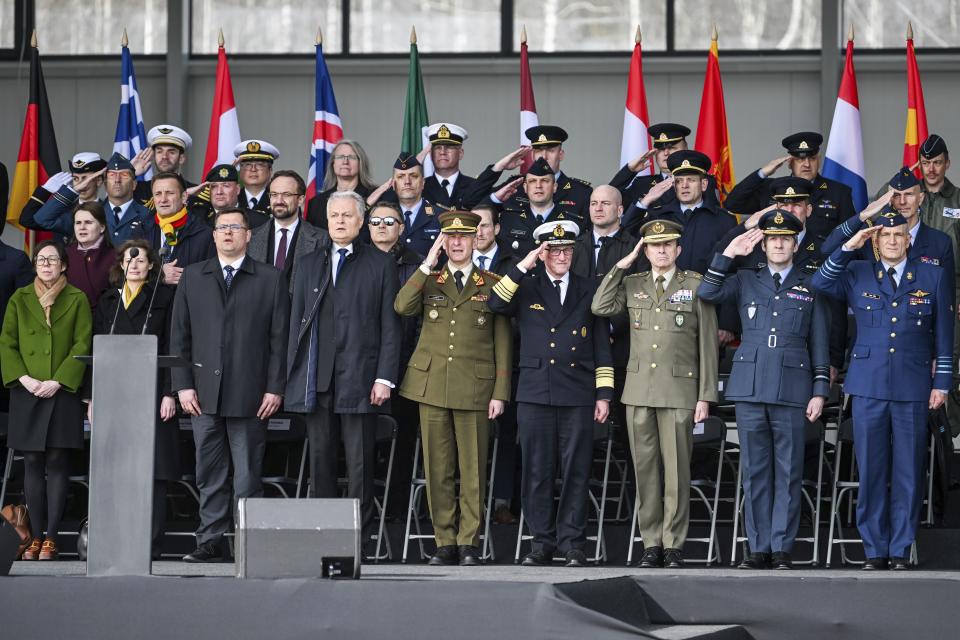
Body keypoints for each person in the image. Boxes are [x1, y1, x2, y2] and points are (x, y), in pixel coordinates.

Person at [812, 210, 953, 570]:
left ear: (909, 239)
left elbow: (945, 335)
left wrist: (942, 383)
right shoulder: (857, 272)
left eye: (898, 235)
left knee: (908, 471)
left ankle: (901, 548)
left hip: (913, 386)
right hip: (868, 386)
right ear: (875, 242)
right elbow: (820, 282)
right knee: (872, 471)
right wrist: (849, 245)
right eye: (885, 235)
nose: (892, 240)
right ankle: (875, 549)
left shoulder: (932, 275)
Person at [699, 211, 830, 569]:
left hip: (792, 388)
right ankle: (758, 547)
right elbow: (707, 291)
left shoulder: (811, 283)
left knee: (788, 472)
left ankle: (782, 547)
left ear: (795, 243)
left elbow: (820, 341)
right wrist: (728, 252)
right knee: (756, 471)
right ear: (764, 243)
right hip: (750, 387)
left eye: (785, 238)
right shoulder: (744, 279)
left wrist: (820, 390)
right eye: (772, 238)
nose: (779, 244)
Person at [592, 219, 719, 569]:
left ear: (678, 249)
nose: (661, 251)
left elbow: (708, 345)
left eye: (667, 245)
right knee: (645, 471)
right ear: (645, 251)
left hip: (679, 391)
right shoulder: (632, 283)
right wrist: (621, 265)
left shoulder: (695, 284)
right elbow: (600, 306)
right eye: (654, 245)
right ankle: (651, 542)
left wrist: (705, 396)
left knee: (677, 472)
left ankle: (673, 543)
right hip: (638, 392)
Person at [488, 220, 614, 567]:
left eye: (567, 250)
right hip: (534, 392)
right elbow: (495, 304)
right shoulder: (526, 285)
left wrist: (603, 394)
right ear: (543, 253)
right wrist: (525, 264)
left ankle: (573, 542)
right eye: (554, 251)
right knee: (537, 471)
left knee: (576, 470)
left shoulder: (590, 288)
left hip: (577, 392)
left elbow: (602, 344)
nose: (562, 256)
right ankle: (540, 542)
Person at [170, 208, 290, 562]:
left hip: (251, 394)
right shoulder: (193, 277)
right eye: (222, 228)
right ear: (213, 235)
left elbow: (279, 340)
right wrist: (182, 386)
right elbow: (179, 337)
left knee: (247, 475)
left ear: (248, 235)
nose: (227, 233)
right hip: (202, 394)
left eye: (235, 228)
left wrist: (275, 388)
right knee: (209, 473)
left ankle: (248, 541)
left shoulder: (270, 278)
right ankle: (210, 540)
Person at [284, 191, 401, 550]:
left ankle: (359, 539)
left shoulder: (379, 263)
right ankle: (323, 535)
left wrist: (384, 377)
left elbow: (390, 326)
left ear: (361, 221)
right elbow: (294, 326)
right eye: (333, 215)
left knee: (359, 465)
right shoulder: (306, 263)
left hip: (362, 380)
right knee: (320, 460)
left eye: (347, 215)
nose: (339, 220)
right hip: (316, 379)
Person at [394, 211, 512, 566]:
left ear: (476, 239)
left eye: (464, 237)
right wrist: (427, 264)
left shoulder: (492, 282)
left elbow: (503, 341)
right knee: (438, 467)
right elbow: (402, 306)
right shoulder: (430, 278)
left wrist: (500, 392)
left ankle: (469, 541)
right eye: (450, 237)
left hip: (475, 387)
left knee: (473, 469)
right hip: (430, 385)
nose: (457, 243)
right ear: (443, 241)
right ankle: (444, 540)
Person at [0, 241, 92, 561]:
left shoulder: (77, 298)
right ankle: (34, 537)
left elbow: (83, 342)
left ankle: (52, 537)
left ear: (64, 265)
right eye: (41, 259)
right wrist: (24, 379)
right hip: (27, 391)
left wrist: (59, 380)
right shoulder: (20, 297)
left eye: (53, 259)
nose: (46, 264)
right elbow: (7, 342)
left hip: (61, 391)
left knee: (56, 461)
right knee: (33, 463)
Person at [91, 239, 178, 554]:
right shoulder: (108, 301)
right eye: (130, 260)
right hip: (115, 394)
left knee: (152, 468)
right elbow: (94, 349)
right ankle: (116, 537)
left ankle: (149, 540)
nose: (135, 265)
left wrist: (170, 393)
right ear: (120, 265)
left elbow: (172, 345)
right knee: (117, 467)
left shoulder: (165, 297)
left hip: (152, 392)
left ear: (152, 265)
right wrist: (92, 399)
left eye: (142, 260)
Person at [724, 131, 855, 242]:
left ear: (819, 160)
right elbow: (732, 204)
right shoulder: (771, 188)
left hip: (820, 263)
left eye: (812, 158)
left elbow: (849, 234)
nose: (807, 164)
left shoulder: (839, 192)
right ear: (790, 163)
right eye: (800, 159)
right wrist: (762, 173)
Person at [611, 122, 719, 228]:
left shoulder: (704, 182)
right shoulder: (641, 184)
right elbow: (609, 198)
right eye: (661, 149)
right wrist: (629, 171)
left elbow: (713, 219)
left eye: (672, 147)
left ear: (685, 149)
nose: (666, 153)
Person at [31, 153, 152, 245]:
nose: (117, 180)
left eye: (123, 175)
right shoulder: (88, 214)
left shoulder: (147, 214)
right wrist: (74, 190)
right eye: (112, 176)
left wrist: (128, 173)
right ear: (104, 182)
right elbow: (42, 219)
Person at [248, 169, 328, 293]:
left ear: (301, 199)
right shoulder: (250, 237)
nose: (279, 200)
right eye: (274, 194)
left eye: (286, 194)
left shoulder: (322, 238)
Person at [495, 125, 592, 219]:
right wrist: (498, 168)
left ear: (561, 155)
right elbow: (480, 199)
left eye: (550, 150)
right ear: (532, 155)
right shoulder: (515, 186)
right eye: (539, 151)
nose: (544, 157)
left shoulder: (582, 193)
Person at [497, 157, 586, 257]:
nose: (538, 185)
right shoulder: (508, 220)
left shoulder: (571, 221)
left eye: (544, 180)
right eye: (533, 181)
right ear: (525, 188)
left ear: (555, 187)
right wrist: (497, 168)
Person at [141, 172, 216, 287]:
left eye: (170, 193)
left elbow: (212, 279)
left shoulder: (204, 234)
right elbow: (127, 273)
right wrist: (158, 275)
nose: (163, 199)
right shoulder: (141, 230)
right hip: (150, 304)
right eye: (158, 194)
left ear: (184, 197)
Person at [420, 123, 499, 210]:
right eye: (438, 147)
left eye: (449, 147)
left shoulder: (475, 186)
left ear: (461, 153)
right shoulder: (420, 188)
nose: (442, 152)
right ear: (431, 154)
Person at [26, 152, 106, 236]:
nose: (80, 184)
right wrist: (46, 190)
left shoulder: (107, 211)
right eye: (76, 179)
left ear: (99, 181)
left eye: (85, 179)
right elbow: (33, 220)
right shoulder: (62, 210)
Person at [305, 140, 378, 229]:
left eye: (351, 157)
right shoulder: (316, 203)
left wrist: (366, 205)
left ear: (361, 163)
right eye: (340, 157)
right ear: (333, 163)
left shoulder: (377, 196)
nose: (345, 162)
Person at [64, 202, 116, 310]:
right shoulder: (64, 254)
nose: (82, 227)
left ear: (102, 227)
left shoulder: (116, 256)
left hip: (103, 321)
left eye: (88, 222)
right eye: (78, 223)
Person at [187, 164, 270, 229]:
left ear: (237, 189)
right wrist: (186, 194)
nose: (219, 192)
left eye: (226, 186)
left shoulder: (259, 221)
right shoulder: (197, 219)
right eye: (214, 186)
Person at [132, 125, 195, 207]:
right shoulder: (138, 190)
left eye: (171, 152)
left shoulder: (196, 192)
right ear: (154, 156)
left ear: (181, 158)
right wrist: (131, 172)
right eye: (159, 151)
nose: (164, 156)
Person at [233, 139, 279, 215]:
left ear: (270, 171)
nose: (253, 169)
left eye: (260, 164)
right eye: (247, 165)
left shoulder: (278, 200)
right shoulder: (230, 199)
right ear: (240, 170)